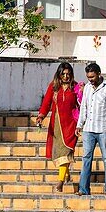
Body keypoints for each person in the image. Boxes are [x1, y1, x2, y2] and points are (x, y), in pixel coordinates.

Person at [36, 62, 84, 192]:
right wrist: (41, 116)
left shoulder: (76, 87)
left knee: (66, 151)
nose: (66, 76)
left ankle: (60, 182)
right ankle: (66, 174)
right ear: (59, 74)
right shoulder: (53, 87)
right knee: (59, 153)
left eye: (68, 74)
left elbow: (81, 104)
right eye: (63, 74)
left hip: (71, 125)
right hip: (57, 125)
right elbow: (46, 104)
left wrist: (82, 92)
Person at [76, 61, 106, 196]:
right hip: (88, 129)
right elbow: (83, 107)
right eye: (88, 77)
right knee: (86, 158)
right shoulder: (88, 88)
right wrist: (80, 124)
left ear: (99, 74)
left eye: (92, 77)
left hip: (104, 128)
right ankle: (83, 189)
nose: (90, 80)